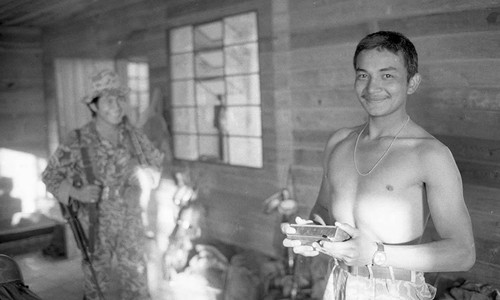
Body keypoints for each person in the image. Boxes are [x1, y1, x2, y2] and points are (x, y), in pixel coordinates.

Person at [282, 31, 475, 299]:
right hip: (338, 284)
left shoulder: (430, 154)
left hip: (394, 290)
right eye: (363, 75)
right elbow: (323, 208)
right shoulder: (339, 141)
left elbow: (463, 253)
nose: (372, 88)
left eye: (387, 75)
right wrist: (312, 237)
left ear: (412, 83)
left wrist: (376, 254)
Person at [42, 69, 163, 300]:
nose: (117, 106)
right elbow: (50, 176)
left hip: (130, 221)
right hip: (95, 226)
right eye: (109, 100)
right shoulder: (77, 140)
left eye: (120, 99)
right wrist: (78, 193)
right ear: (94, 106)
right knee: (97, 289)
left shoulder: (134, 137)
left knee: (137, 285)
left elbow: (155, 166)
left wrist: (144, 180)